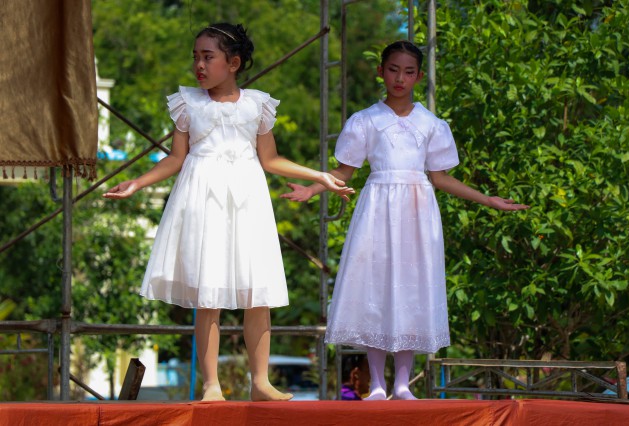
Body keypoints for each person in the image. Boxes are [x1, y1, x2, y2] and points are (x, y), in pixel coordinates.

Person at [103, 22, 354, 402]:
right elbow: (175, 158)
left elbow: (270, 159)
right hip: (203, 199)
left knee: (258, 290)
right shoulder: (188, 103)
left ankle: (260, 382)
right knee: (209, 293)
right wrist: (137, 182)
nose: (199, 65)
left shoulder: (257, 104)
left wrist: (318, 175)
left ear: (233, 63)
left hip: (248, 199)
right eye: (196, 57)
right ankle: (211, 384)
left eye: (208, 57)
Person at [282, 40, 529, 400]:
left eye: (409, 72)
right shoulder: (365, 120)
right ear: (380, 71)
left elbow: (441, 177)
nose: (400, 78)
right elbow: (344, 172)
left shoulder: (431, 124)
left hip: (417, 212)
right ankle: (377, 384)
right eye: (393, 70)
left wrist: (487, 199)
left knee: (412, 286)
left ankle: (402, 383)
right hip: (378, 209)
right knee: (376, 286)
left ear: (419, 76)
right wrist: (311, 188)